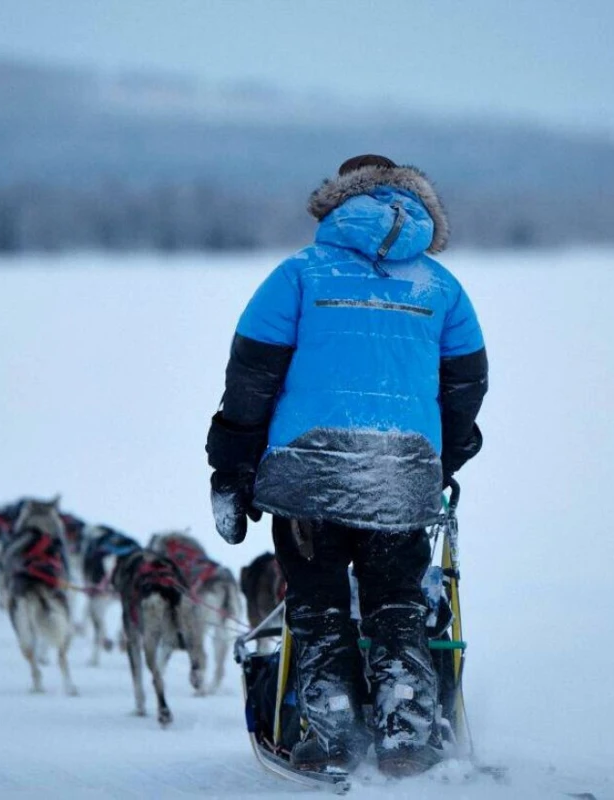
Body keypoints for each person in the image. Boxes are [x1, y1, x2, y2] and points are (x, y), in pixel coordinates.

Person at [206, 154, 487, 778]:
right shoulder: (440, 287)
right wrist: (444, 458)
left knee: (318, 606)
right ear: (416, 207)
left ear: (335, 201)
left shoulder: (298, 275)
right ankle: (407, 734)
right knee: (396, 604)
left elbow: (250, 379)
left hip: (307, 476)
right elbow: (467, 383)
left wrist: (232, 467)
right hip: (402, 472)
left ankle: (329, 736)